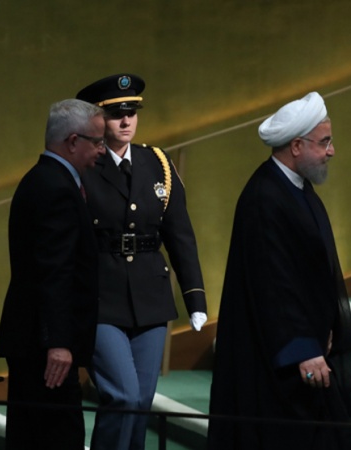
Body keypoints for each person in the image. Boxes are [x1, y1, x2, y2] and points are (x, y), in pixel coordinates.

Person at [207, 92, 351, 450]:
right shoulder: (265, 197)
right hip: (280, 362)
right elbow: (274, 284)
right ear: (296, 146)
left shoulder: (295, 188)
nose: (331, 151)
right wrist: (303, 348)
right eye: (324, 142)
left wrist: (326, 327)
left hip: (306, 351)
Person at [75, 73, 208, 450]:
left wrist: (195, 298)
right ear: (99, 119)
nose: (126, 121)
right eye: (116, 114)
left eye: (131, 113)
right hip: (101, 296)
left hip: (150, 295)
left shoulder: (158, 163)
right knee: (123, 396)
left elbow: (180, 235)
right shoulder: (86, 165)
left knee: (141, 403)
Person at [0, 99, 106, 450]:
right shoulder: (56, 188)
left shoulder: (43, 179)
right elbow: (54, 271)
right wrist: (59, 342)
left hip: (34, 340)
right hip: (45, 349)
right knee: (57, 437)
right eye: (97, 142)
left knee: (31, 435)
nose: (102, 151)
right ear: (72, 141)